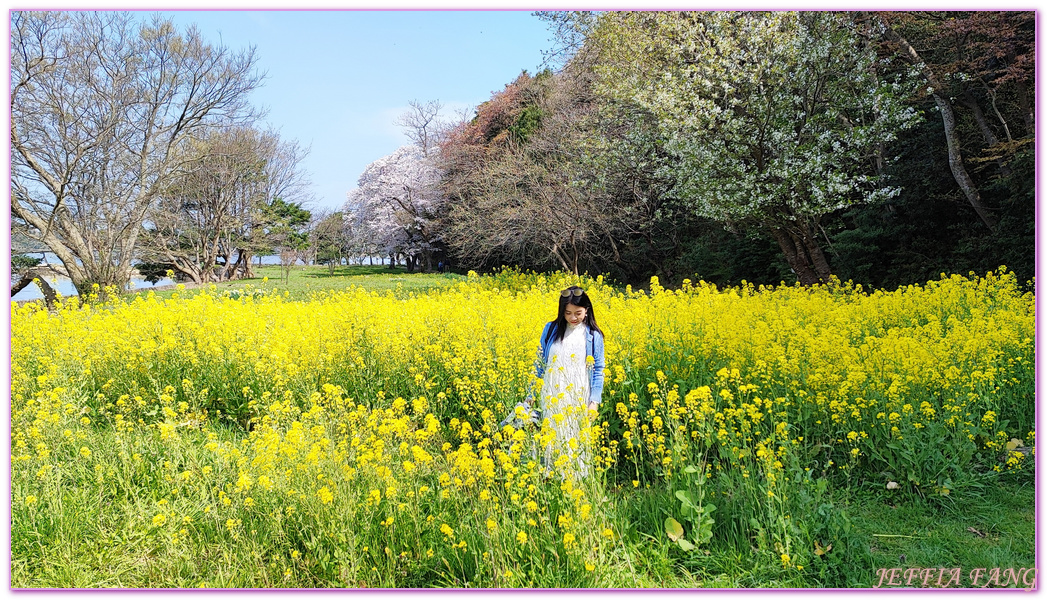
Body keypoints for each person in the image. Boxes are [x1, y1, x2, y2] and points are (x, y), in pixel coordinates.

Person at [530, 285, 606, 477]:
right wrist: (530, 395)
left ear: (587, 310)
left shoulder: (593, 336)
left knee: (576, 437)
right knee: (551, 436)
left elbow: (598, 370)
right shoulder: (550, 330)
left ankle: (575, 482)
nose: (573, 317)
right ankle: (550, 479)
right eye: (568, 313)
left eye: (578, 313)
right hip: (551, 394)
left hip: (579, 395)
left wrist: (594, 403)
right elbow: (539, 363)